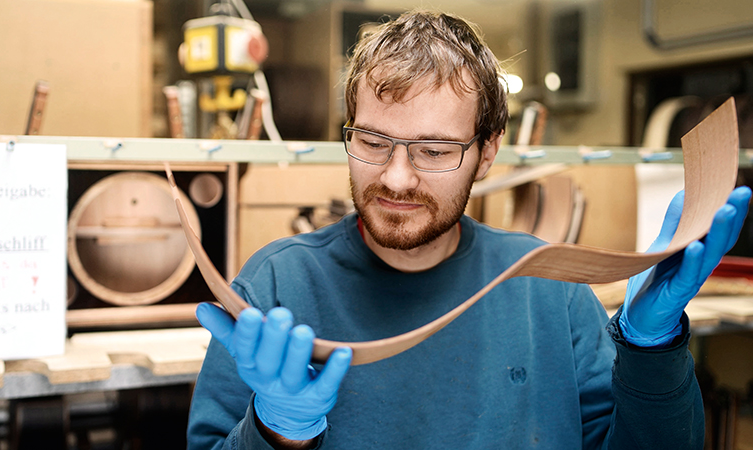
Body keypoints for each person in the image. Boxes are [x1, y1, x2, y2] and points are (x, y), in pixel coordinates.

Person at [186, 9, 752, 450]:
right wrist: (278, 430)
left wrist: (651, 352)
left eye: (434, 150)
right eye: (372, 142)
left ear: (487, 154)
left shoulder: (549, 289)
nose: (397, 178)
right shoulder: (276, 285)